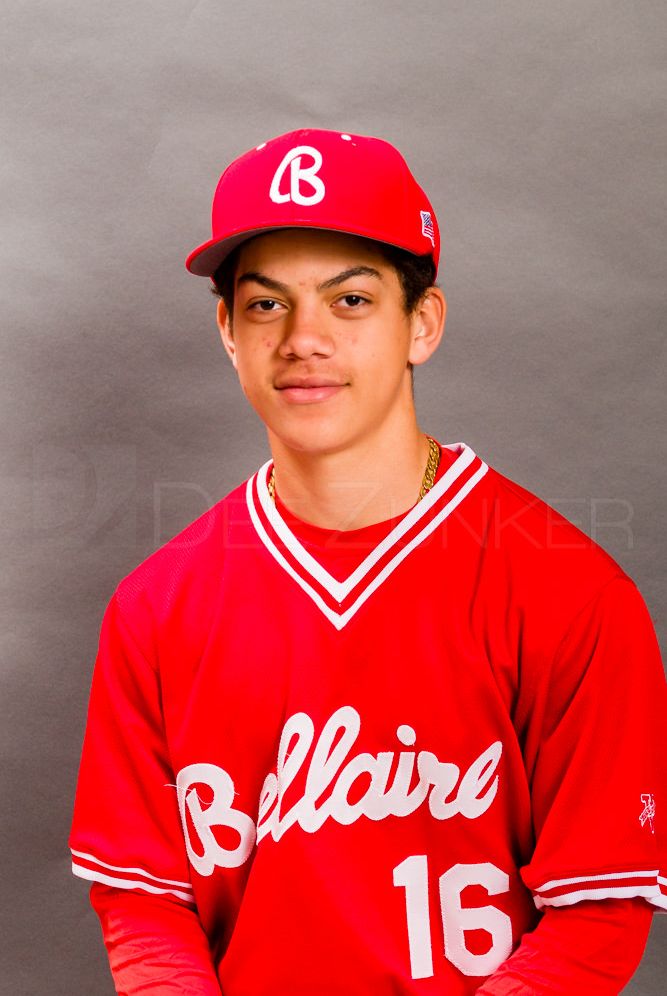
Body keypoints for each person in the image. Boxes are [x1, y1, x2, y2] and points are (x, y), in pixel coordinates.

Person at [70, 129, 666, 995]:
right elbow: (145, 906)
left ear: (420, 324)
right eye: (267, 305)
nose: (303, 339)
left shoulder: (570, 593)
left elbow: (595, 917)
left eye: (349, 302)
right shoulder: (157, 605)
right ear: (227, 332)